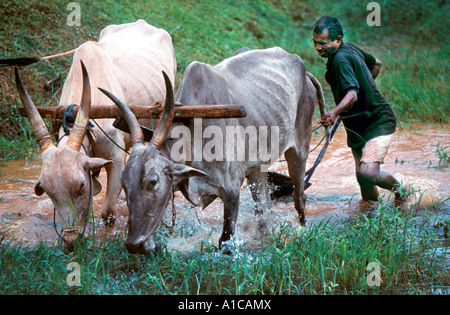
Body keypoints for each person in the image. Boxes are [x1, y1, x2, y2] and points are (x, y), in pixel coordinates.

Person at [312, 15, 403, 203]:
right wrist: (365, 85)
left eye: (323, 43)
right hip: (356, 124)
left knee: (368, 173)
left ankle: (404, 194)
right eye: (315, 42)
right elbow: (376, 63)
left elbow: (352, 95)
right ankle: (370, 215)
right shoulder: (349, 48)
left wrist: (333, 112)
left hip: (377, 122)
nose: (317, 48)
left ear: (338, 40)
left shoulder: (341, 60)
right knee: (363, 178)